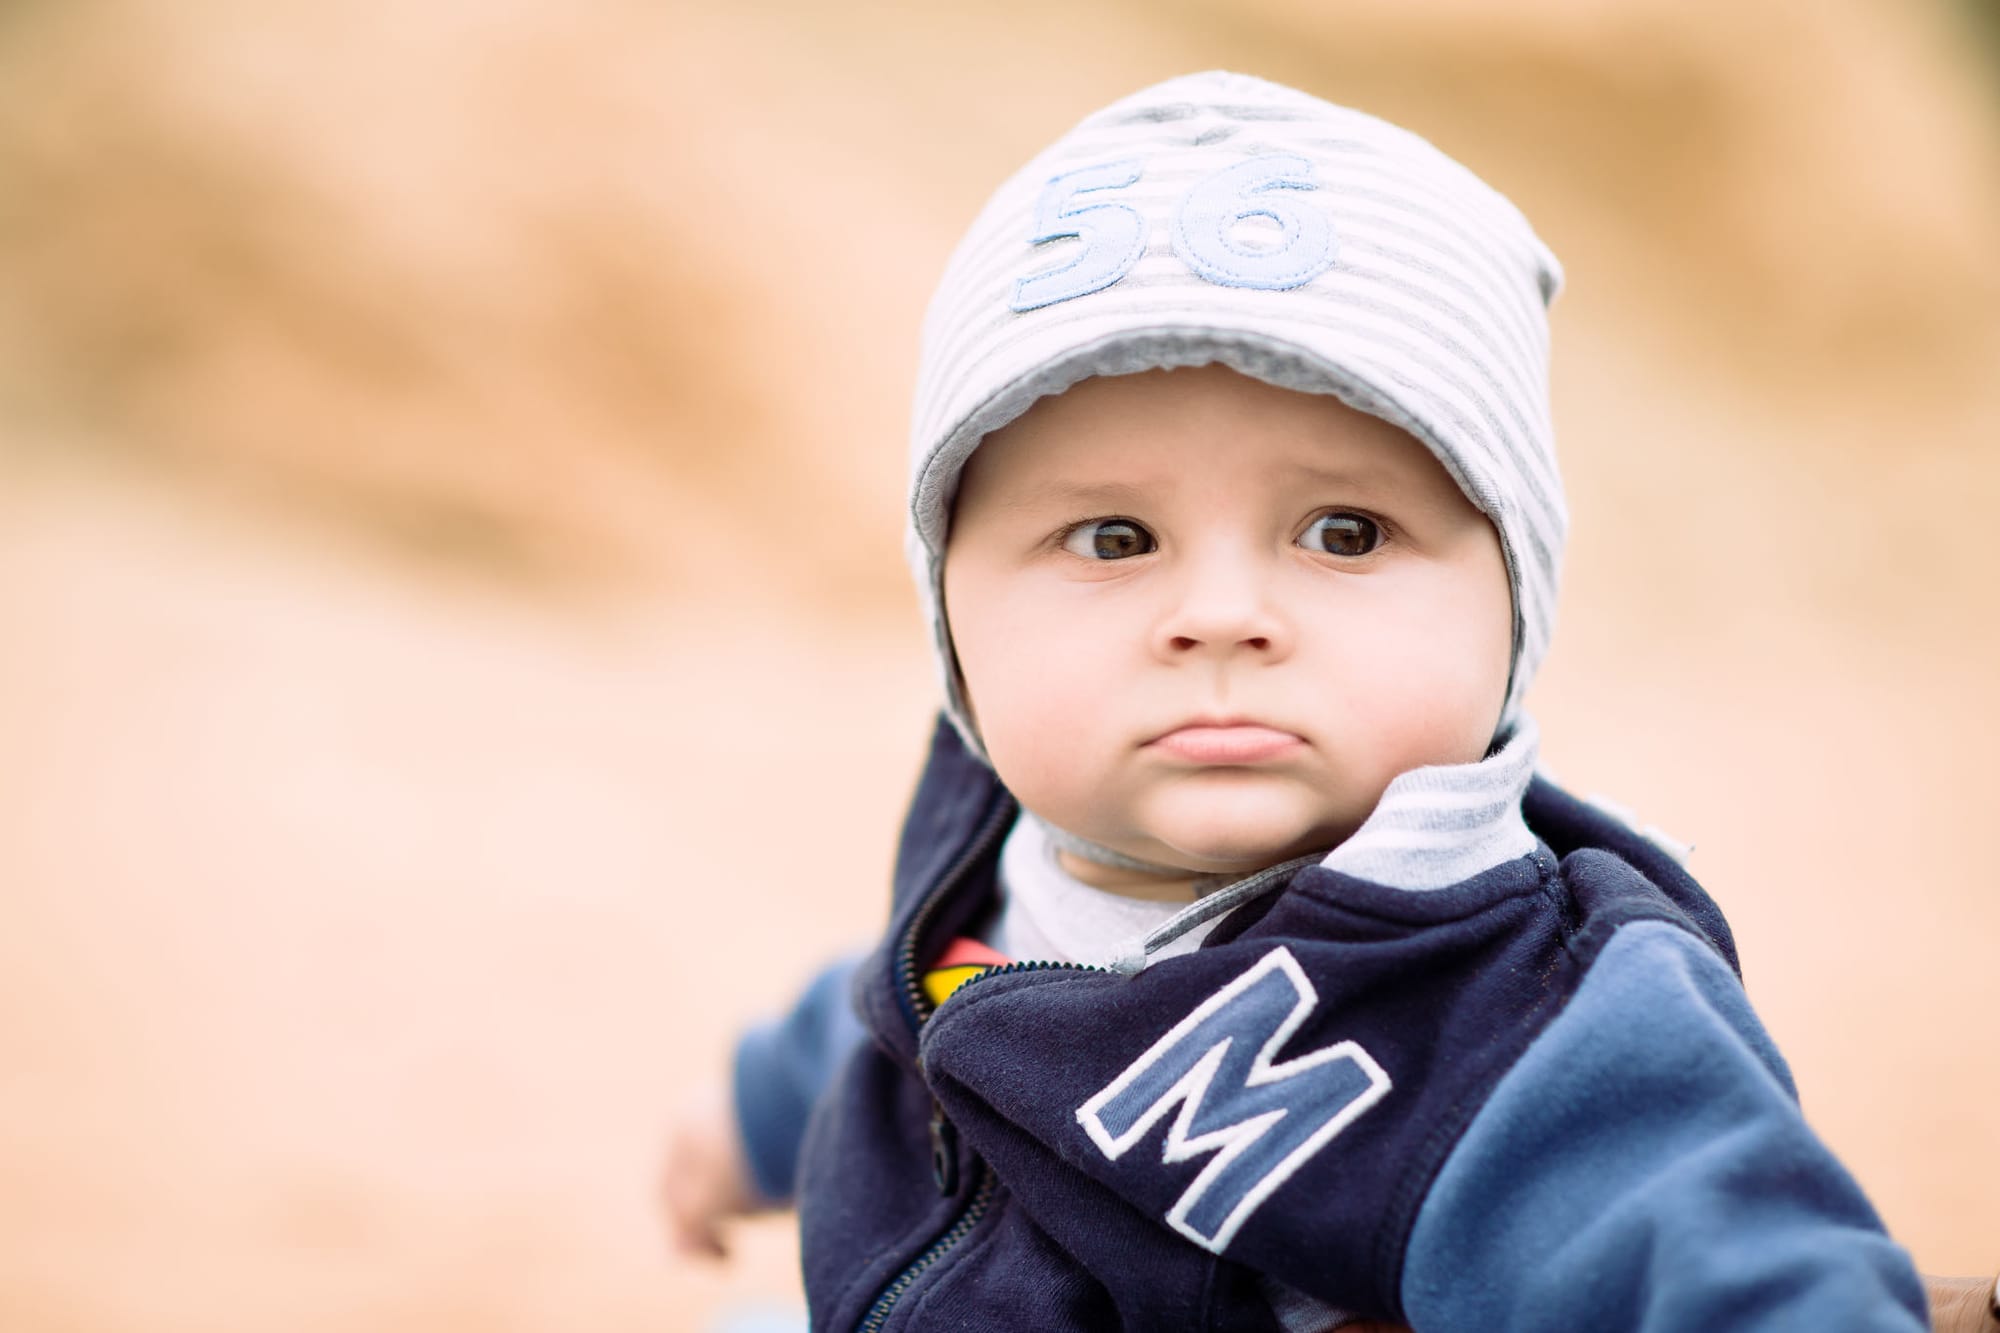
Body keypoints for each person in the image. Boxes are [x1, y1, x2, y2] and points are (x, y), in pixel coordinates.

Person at [660, 71, 1980, 1329]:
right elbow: (918, 998)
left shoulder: (1513, 1022)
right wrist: (745, 1124)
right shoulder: (994, 829)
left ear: (1513, 601)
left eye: (1346, 532)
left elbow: (1727, 1258)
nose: (1224, 613)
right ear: (951, 610)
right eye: (1114, 538)